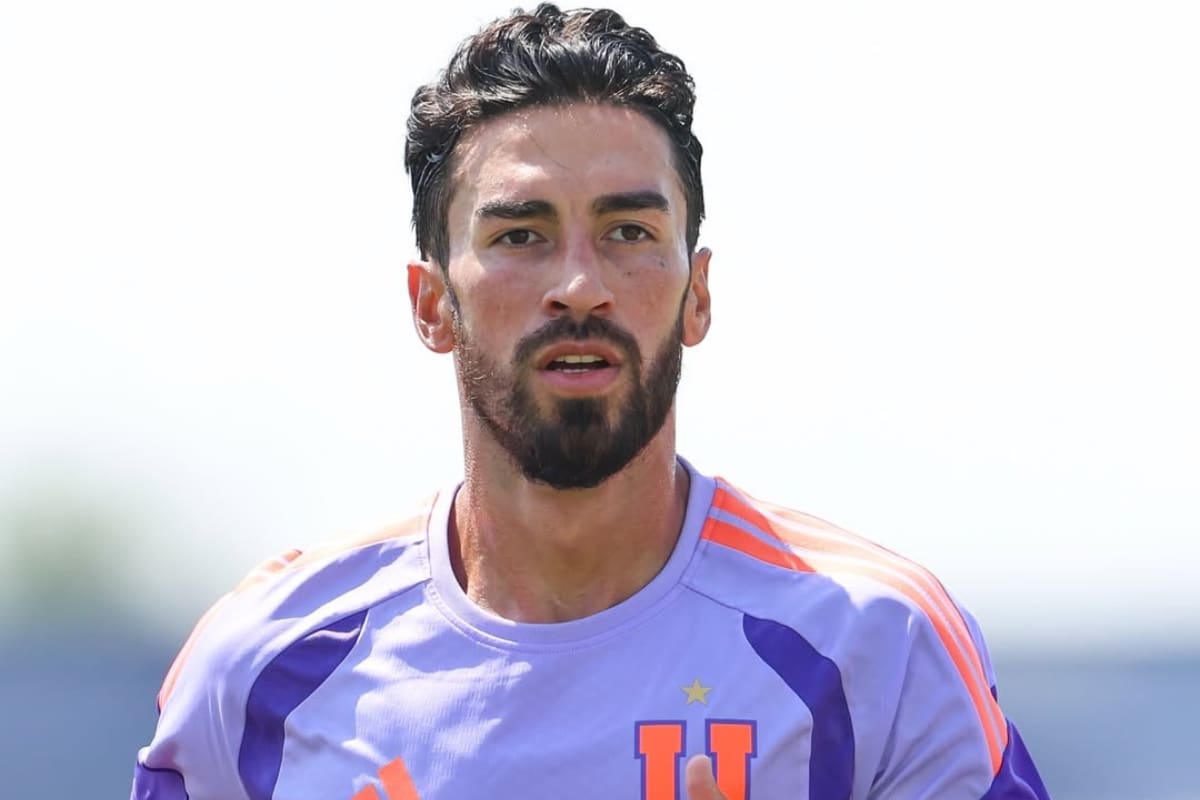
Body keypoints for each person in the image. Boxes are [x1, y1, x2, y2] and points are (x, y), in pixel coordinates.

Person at [129, 5, 1050, 799]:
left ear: (696, 295)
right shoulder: (259, 667)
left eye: (628, 231)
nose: (579, 285)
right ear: (431, 304)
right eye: (521, 234)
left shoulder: (880, 648)